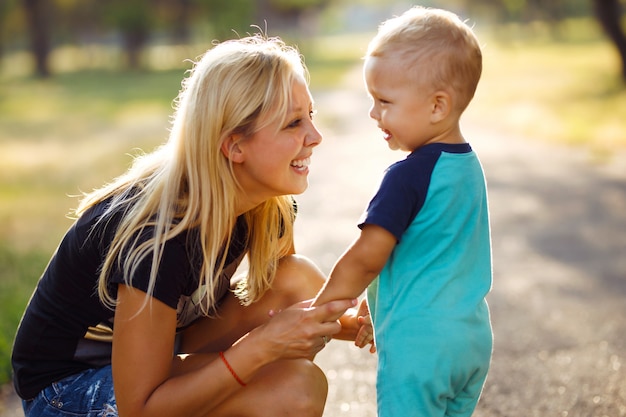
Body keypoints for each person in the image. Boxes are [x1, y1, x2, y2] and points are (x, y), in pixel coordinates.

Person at [11, 34, 373, 417]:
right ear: (234, 146)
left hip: (155, 350)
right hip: (65, 388)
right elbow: (140, 408)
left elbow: (287, 312)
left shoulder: (268, 206)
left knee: (295, 280)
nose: (315, 137)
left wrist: (352, 324)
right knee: (293, 388)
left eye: (311, 116)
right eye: (293, 123)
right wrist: (261, 347)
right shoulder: (156, 238)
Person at [312, 6, 493, 417]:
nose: (374, 114)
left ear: (437, 106)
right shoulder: (467, 168)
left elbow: (366, 257)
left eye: (384, 101)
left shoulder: (406, 175)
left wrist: (319, 312)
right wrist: (375, 306)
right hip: (471, 339)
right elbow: (430, 253)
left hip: (419, 345)